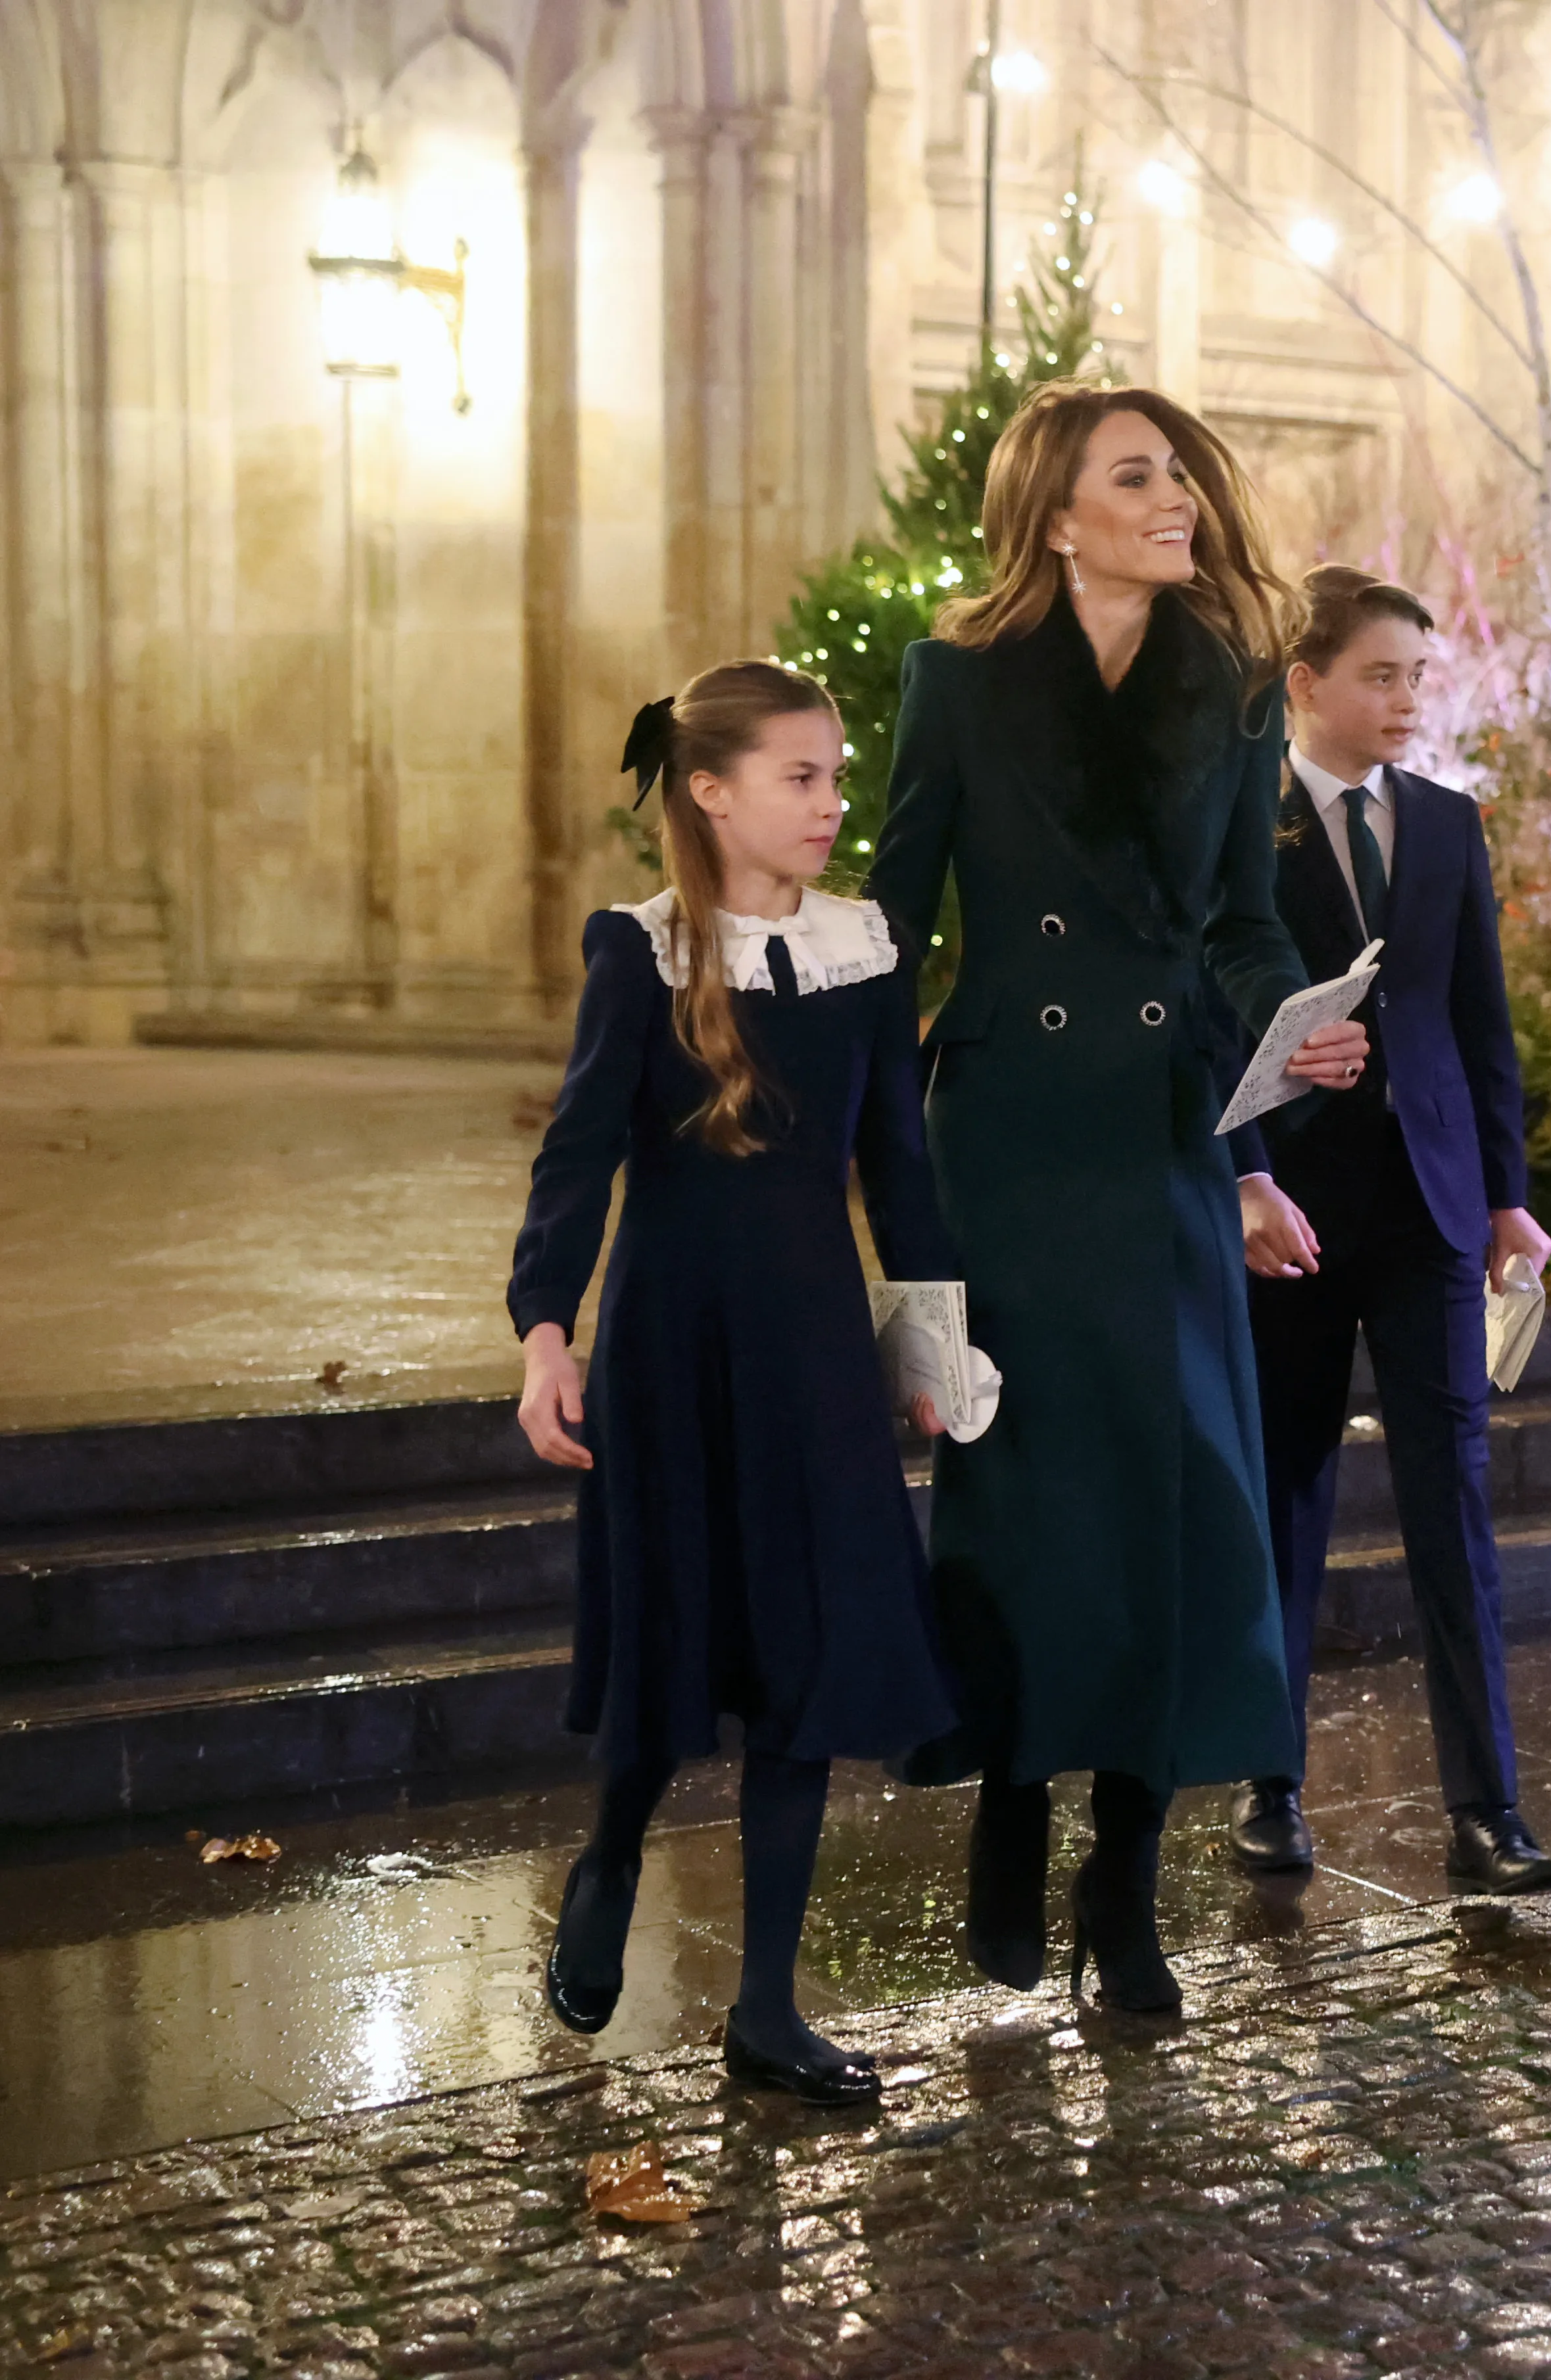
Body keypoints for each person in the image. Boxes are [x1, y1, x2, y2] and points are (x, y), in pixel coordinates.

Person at [865, 381, 1369, 2015]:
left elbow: (1235, 924)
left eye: (1183, 478)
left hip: (1162, 1133)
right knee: (1024, 1504)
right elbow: (898, 911)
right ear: (1055, 508)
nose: (1180, 504)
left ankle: (1126, 1881)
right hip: (1010, 1137)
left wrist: (1303, 1021)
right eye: (1138, 478)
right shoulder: (953, 680)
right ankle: (1015, 1812)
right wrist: (831, 1117)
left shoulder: (1227, 685)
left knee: (1174, 1504)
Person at [508, 660, 962, 2107]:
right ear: (710, 792)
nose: (835, 803)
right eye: (802, 777)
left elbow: (901, 1163)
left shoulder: (867, 951)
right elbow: (578, 1158)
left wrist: (936, 1345)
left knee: (805, 1664)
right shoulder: (639, 952)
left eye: (838, 775)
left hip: (815, 1346)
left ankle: (765, 2009)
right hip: (667, 1345)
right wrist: (542, 1333)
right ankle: (612, 1850)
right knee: (672, 1640)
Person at [1215, 567, 1551, 1896]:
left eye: (1420, 675)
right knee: (1286, 1499)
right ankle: (1271, 1786)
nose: (1407, 700)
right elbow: (1204, 1019)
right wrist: (1244, 1174)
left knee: (1454, 1507)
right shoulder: (1237, 824)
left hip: (1428, 1209)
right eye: (1381, 675)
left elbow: (1480, 1023)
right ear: (1306, 685)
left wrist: (1506, 1194)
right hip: (1289, 1213)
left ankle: (1489, 1811)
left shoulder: (1446, 820)